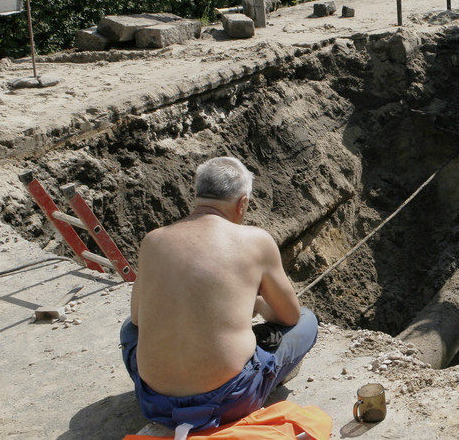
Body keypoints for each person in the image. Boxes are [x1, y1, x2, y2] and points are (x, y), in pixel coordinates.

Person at [120, 157, 318, 433]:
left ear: (197, 196)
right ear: (242, 203)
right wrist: (258, 304)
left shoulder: (153, 239)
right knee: (307, 321)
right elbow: (290, 315)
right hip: (230, 400)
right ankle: (271, 377)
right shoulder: (256, 240)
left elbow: (138, 320)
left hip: (155, 401)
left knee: (128, 330)